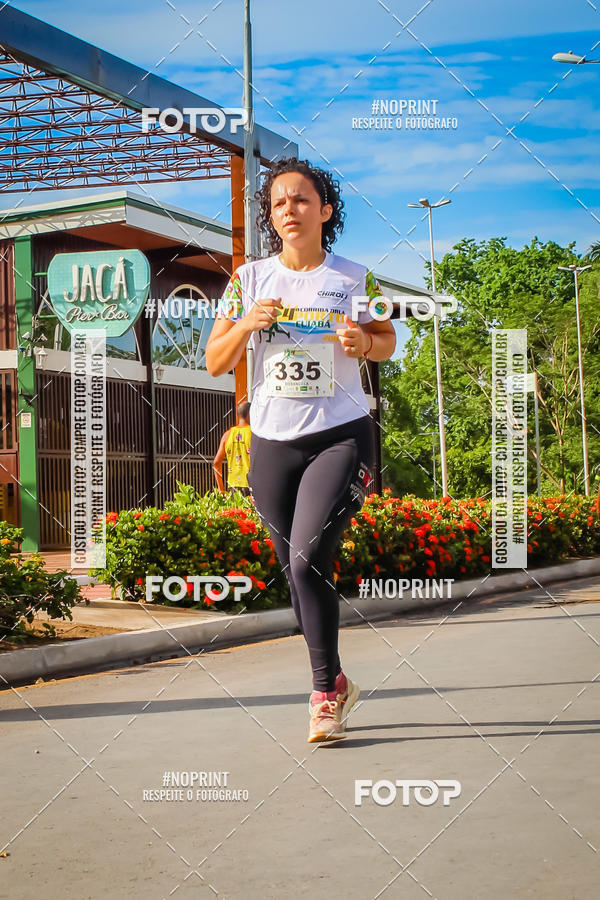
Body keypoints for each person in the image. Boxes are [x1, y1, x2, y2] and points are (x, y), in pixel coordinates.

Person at [206, 158, 396, 742]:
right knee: (295, 570)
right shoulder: (249, 279)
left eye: (301, 200)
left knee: (306, 557)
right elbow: (215, 361)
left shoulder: (356, 276)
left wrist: (361, 338)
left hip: (340, 433)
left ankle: (321, 697)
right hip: (272, 441)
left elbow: (388, 342)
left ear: (325, 210)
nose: (289, 209)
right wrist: (245, 325)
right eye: (279, 203)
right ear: (271, 215)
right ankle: (336, 679)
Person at [212, 401, 252, 497]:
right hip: (251, 485)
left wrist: (221, 490)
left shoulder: (227, 435)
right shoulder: (254, 434)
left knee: (235, 512)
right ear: (250, 414)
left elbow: (216, 463)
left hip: (233, 486)